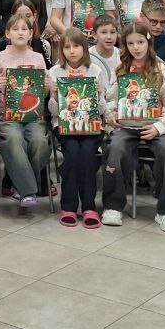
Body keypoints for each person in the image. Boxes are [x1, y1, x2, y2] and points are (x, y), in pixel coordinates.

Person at [101, 22, 165, 231]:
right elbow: (111, 100)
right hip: (127, 126)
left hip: (156, 127)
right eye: (130, 43)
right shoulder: (120, 68)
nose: (136, 47)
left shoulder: (160, 68)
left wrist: (160, 127)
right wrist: (112, 116)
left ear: (148, 42)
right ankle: (113, 206)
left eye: (140, 42)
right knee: (115, 147)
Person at [0, 13, 51, 208]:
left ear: (31, 33)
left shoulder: (38, 58)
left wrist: (47, 87)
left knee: (40, 142)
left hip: (34, 116)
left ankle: (20, 186)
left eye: (25, 29)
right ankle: (28, 191)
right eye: (15, 29)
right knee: (14, 138)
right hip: (7, 116)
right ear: (7, 33)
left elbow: (44, 93)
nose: (20, 32)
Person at [49, 29, 107, 227]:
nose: (72, 51)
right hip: (64, 125)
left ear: (84, 48)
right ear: (61, 50)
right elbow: (53, 112)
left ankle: (89, 206)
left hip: (91, 125)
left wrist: (99, 95)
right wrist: (54, 96)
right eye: (67, 47)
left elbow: (101, 110)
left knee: (88, 152)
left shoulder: (95, 71)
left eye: (76, 46)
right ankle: (69, 206)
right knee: (73, 151)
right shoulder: (55, 72)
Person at [0, 0, 53, 65]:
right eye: (19, 16)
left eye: (28, 16)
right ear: (12, 17)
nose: (24, 19)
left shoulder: (43, 44)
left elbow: (47, 69)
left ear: (34, 16)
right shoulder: (3, 44)